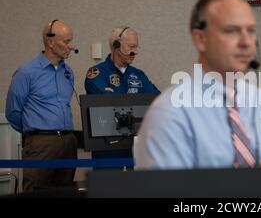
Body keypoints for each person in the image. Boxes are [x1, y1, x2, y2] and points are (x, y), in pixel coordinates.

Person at [133, 0, 261, 169]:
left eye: (250, 31)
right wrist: (257, 185)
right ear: (200, 39)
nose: (246, 42)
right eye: (231, 31)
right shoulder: (170, 114)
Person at [5, 20, 78, 192]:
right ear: (50, 41)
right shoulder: (26, 72)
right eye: (66, 41)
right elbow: (13, 112)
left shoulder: (68, 72)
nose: (71, 46)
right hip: (40, 144)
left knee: (65, 191)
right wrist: (35, 134)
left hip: (68, 142)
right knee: (36, 192)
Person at [84, 26, 160, 159]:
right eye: (131, 47)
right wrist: (135, 101)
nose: (136, 52)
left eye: (136, 47)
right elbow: (111, 103)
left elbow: (157, 101)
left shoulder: (139, 74)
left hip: (135, 148)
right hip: (107, 147)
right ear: (116, 45)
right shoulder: (96, 73)